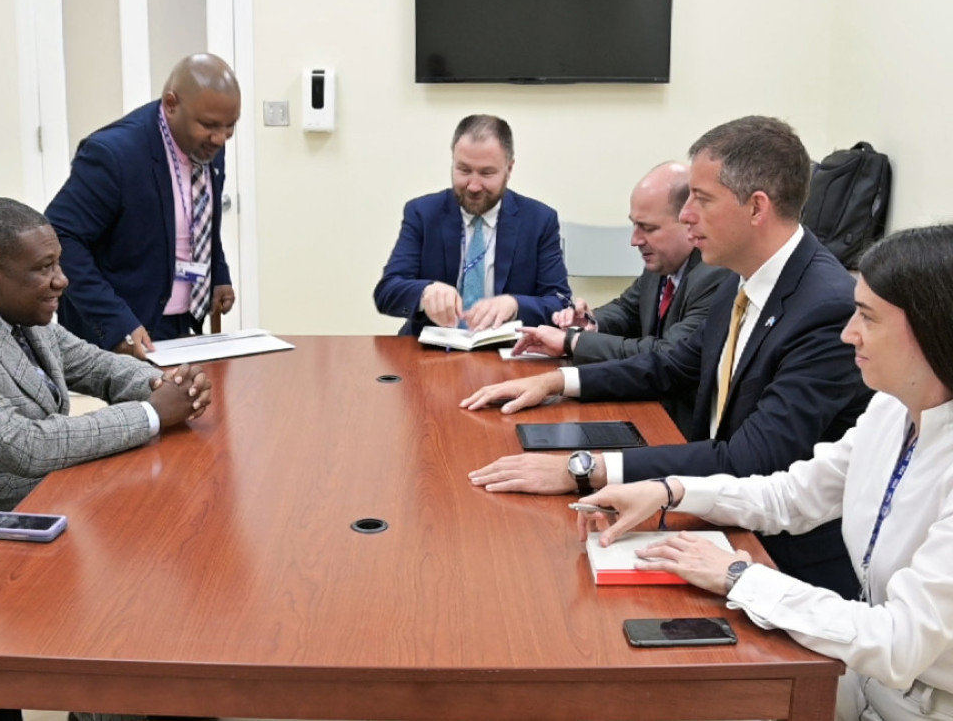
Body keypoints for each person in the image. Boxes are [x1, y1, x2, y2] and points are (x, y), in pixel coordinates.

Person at [462, 116, 873, 598]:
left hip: (783, 562)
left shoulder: (825, 308)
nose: (688, 215)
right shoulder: (743, 276)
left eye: (701, 199)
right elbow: (673, 365)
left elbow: (750, 458)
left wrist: (584, 468)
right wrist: (559, 381)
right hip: (711, 513)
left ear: (756, 207)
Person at [575, 224, 953, 721]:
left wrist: (738, 576)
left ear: (932, 328)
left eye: (867, 317)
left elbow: (899, 642)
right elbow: (792, 495)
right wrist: (670, 491)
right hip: (863, 677)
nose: (848, 334)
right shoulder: (890, 409)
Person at [0, 198, 212, 591]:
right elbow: (22, 444)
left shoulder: (17, 307)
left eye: (58, 263)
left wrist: (164, 385)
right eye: (45, 268)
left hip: (46, 504)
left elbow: (97, 366)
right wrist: (152, 414)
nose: (61, 280)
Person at [511, 161, 732, 434]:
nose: (635, 240)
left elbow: (668, 354)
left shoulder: (716, 274)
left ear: (689, 222)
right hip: (646, 403)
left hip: (680, 428)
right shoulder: (663, 263)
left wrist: (574, 341)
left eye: (648, 228)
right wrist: (590, 323)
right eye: (634, 225)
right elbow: (627, 309)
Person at [46, 53, 240, 360]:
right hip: (124, 326)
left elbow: (200, 215)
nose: (220, 138)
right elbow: (60, 236)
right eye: (209, 125)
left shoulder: (208, 145)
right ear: (171, 104)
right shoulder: (114, 153)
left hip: (179, 321)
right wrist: (115, 320)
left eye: (230, 126)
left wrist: (218, 272)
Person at [373, 114, 571, 336]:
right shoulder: (423, 213)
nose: (474, 186)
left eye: (487, 173)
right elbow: (387, 292)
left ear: (509, 169)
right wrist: (424, 293)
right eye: (464, 170)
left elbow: (560, 303)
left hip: (508, 348)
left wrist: (515, 304)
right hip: (432, 346)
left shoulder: (539, 220)